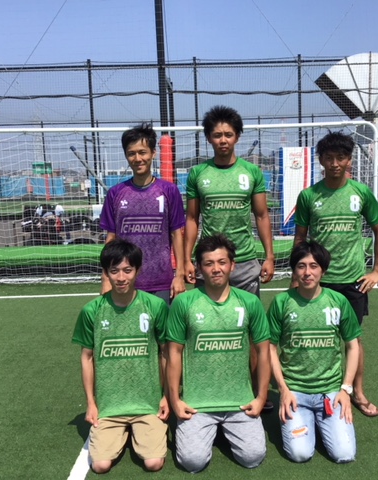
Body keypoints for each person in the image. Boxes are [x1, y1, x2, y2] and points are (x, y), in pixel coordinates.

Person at [293, 131, 378, 418]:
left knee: (353, 340)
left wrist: (377, 270)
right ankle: (312, 388)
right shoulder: (309, 196)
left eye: (341, 157)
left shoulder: (361, 193)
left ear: (349, 160)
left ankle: (357, 392)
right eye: (329, 158)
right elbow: (300, 238)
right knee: (312, 336)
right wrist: (297, 276)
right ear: (320, 160)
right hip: (317, 281)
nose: (335, 163)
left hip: (353, 281)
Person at [166, 234, 271, 473]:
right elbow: (174, 354)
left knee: (252, 457)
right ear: (199, 268)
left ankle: (223, 430)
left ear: (232, 265)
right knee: (192, 462)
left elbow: (263, 352)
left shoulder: (249, 302)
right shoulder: (184, 303)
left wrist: (261, 397)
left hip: (239, 402)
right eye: (209, 263)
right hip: (197, 404)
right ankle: (210, 430)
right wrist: (175, 400)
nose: (216, 269)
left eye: (222, 262)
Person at [71, 239, 170, 474]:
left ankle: (137, 432)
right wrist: (91, 403)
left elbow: (166, 353)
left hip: (147, 404)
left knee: (153, 463)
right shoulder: (92, 311)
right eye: (114, 271)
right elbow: (87, 357)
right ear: (106, 273)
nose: (121, 277)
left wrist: (166, 395)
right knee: (100, 465)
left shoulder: (155, 306)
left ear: (138, 270)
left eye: (127, 270)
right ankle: (120, 433)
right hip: (109, 408)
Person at [268, 241, 361, 463]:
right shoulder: (282, 302)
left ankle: (324, 423)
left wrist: (346, 389)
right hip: (295, 392)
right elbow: (270, 347)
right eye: (301, 266)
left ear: (323, 270)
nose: (307, 272)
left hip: (330, 392)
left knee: (345, 454)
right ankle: (309, 422)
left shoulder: (338, 301)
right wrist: (283, 389)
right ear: (294, 270)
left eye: (314, 266)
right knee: (299, 454)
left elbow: (352, 345)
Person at [184, 105, 274, 296]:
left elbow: (262, 216)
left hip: (244, 261)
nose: (223, 140)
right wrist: (186, 259)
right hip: (210, 260)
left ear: (237, 137)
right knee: (207, 314)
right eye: (217, 135)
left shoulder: (252, 171)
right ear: (209, 138)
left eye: (228, 134)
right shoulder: (197, 173)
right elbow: (191, 219)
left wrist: (269, 257)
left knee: (248, 313)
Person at [99, 123, 186, 303]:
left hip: (162, 282)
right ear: (126, 156)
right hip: (126, 282)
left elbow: (177, 234)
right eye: (131, 153)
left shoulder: (169, 191)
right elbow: (111, 238)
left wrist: (179, 275)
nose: (137, 158)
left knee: (163, 322)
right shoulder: (115, 193)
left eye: (142, 152)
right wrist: (106, 278)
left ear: (153, 153)